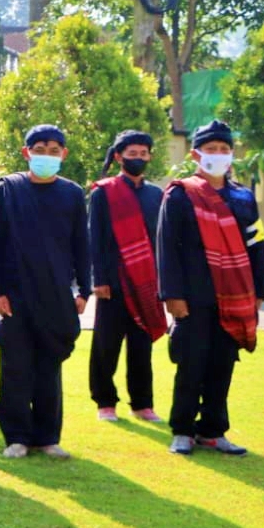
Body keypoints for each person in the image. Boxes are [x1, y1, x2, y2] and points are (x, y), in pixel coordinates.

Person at [157, 120, 264, 456]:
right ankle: (182, 430)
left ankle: (213, 431)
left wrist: (259, 293)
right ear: (196, 154)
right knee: (191, 364)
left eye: (224, 150)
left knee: (222, 364)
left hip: (234, 298)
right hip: (193, 297)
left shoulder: (243, 198)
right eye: (211, 150)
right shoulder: (180, 195)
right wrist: (173, 296)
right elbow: (166, 248)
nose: (218, 155)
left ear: (232, 155)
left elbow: (257, 246)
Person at [0, 124, 91, 459]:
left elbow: (81, 247)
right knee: (16, 365)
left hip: (57, 295)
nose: (47, 155)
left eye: (54, 149)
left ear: (64, 154)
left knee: (49, 365)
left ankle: (48, 437)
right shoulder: (8, 190)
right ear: (26, 152)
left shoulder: (73, 194)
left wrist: (84, 290)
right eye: (40, 149)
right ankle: (16, 436)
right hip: (14, 296)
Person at [88, 130, 165, 423]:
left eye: (143, 154)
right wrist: (99, 279)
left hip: (146, 283)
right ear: (119, 157)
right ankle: (105, 403)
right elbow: (95, 239)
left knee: (141, 347)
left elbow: (161, 242)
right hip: (113, 283)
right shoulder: (103, 192)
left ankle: (142, 404)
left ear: (149, 157)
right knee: (106, 345)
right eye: (132, 154)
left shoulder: (156, 195)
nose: (138, 159)